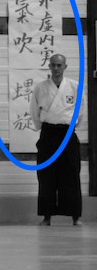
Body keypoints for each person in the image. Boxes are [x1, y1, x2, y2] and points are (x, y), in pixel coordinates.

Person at [29, 54, 84, 226]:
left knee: (71, 173)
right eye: (53, 65)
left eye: (59, 65)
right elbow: (34, 112)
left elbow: (80, 111)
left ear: (65, 67)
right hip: (48, 133)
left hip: (67, 133)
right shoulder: (40, 88)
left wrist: (71, 126)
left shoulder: (75, 86)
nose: (56, 68)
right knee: (46, 175)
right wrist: (43, 128)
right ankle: (47, 216)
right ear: (49, 67)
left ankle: (75, 216)